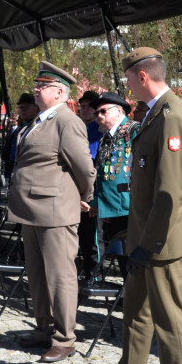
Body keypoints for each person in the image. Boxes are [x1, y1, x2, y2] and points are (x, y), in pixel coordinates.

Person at [87, 48, 182, 364]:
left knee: (169, 321)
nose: (127, 84)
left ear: (143, 77)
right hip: (143, 236)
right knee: (135, 312)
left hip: (161, 242)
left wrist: (148, 245)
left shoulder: (172, 115)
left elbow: (170, 193)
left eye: (129, 78)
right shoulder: (152, 114)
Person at [9, 62, 95, 363]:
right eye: (37, 86)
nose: (36, 90)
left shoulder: (66, 120)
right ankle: (44, 327)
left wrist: (83, 197)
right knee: (37, 275)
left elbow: (84, 167)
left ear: (59, 92)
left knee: (60, 277)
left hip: (56, 210)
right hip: (32, 209)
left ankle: (65, 338)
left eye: (42, 87)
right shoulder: (40, 120)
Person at [89, 91, 139, 274]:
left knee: (132, 255)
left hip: (129, 205)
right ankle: (127, 295)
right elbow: (102, 173)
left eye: (103, 111)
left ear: (119, 111)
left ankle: (133, 297)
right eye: (96, 113)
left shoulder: (134, 130)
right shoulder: (106, 137)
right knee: (122, 254)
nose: (99, 116)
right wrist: (97, 200)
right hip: (111, 205)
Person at [77, 90, 104, 282]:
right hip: (76, 192)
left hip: (92, 192)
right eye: (82, 106)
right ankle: (86, 271)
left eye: (88, 106)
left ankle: (95, 274)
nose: (84, 109)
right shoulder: (79, 128)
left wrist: (93, 197)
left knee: (93, 237)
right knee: (81, 237)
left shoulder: (98, 131)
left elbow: (94, 166)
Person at [1, 92, 38, 185]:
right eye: (20, 107)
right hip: (13, 174)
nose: (22, 110)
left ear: (36, 108)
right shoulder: (19, 129)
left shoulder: (37, 127)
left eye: (26, 107)